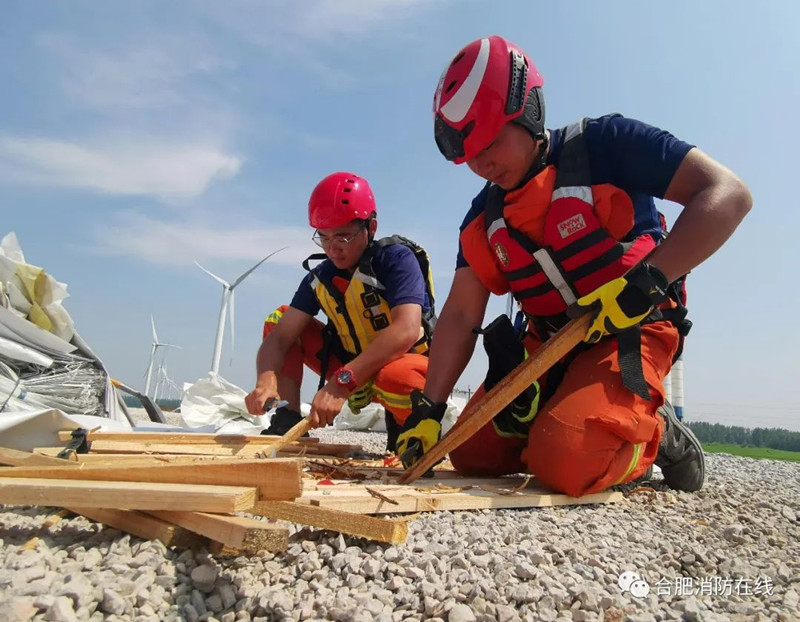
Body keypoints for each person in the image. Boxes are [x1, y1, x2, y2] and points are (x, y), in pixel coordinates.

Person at [397, 35, 751, 495]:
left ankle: (658, 438)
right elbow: (462, 313)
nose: (481, 163)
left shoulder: (608, 145)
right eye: (469, 154)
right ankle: (562, 414)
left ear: (529, 111)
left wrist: (648, 283)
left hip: (633, 329)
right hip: (549, 346)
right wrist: (429, 409)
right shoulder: (482, 219)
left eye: (491, 142)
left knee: (565, 465)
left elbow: (727, 195)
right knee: (469, 455)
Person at [245, 171, 435, 451]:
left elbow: (406, 329)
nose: (333, 249)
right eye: (324, 238)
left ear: (371, 227)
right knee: (278, 317)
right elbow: (281, 337)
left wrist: (342, 382)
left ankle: (412, 429)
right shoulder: (319, 279)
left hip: (402, 366)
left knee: (395, 377)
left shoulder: (396, 259)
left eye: (343, 237)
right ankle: (286, 419)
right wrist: (265, 378)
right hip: (352, 369)